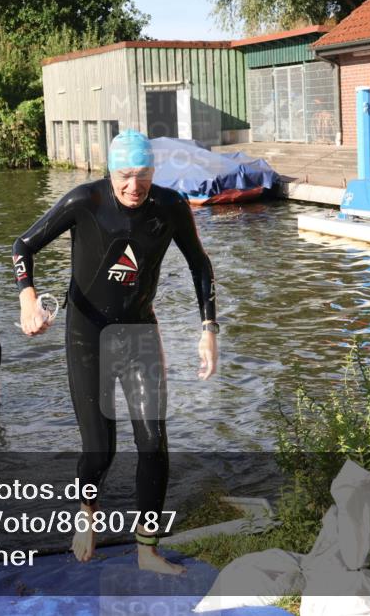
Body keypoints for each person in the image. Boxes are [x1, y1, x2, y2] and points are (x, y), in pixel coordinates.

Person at [12, 129, 218, 575]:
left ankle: (147, 550)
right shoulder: (84, 201)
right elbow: (22, 246)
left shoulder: (170, 207)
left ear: (153, 173)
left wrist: (208, 329)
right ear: (110, 172)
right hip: (87, 335)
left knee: (153, 444)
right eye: (125, 176)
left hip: (139, 331)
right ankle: (86, 514)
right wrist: (28, 298)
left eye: (143, 176)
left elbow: (200, 265)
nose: (134, 186)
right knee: (100, 449)